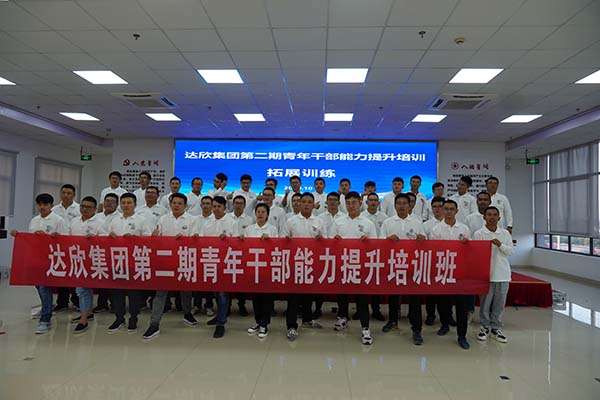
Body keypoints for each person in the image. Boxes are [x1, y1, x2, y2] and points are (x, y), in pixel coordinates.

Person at [10, 193, 68, 334]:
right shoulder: (34, 220)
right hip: (35, 259)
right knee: (39, 287)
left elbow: (64, 240)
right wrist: (18, 235)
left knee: (44, 288)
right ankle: (46, 308)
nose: (42, 207)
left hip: (50, 259)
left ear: (51, 205)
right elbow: (30, 239)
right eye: (40, 204)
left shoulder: (58, 220)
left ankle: (45, 320)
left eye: (45, 205)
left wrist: (48, 237)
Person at [142, 193, 197, 339]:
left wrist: (186, 239)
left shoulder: (192, 220)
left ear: (185, 206)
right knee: (160, 293)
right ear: (170, 204)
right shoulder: (163, 219)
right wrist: (154, 237)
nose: (176, 205)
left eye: (180, 203)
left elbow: (196, 240)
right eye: (174, 203)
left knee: (186, 291)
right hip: (165, 261)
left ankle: (187, 313)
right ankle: (154, 324)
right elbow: (157, 238)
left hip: (184, 260)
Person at [380, 193, 427, 345]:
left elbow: (425, 242)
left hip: (413, 266)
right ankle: (393, 321)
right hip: (394, 264)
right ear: (394, 206)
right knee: (394, 296)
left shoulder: (417, 222)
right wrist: (387, 240)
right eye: (399, 203)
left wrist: (422, 240)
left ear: (410, 205)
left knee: (414, 299)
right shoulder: (388, 222)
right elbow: (379, 242)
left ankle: (416, 329)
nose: (401, 206)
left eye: (404, 203)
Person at [330, 191, 377, 345]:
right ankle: (343, 318)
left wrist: (368, 242)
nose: (351, 206)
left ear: (360, 204)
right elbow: (330, 243)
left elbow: (376, 245)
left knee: (361, 299)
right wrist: (334, 240)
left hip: (360, 266)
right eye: (348, 203)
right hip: (342, 264)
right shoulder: (338, 222)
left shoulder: (368, 223)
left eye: (354, 203)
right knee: (342, 295)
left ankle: (365, 328)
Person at [430, 200, 472, 350]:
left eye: (451, 209)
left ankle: (462, 335)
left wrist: (467, 244)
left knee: (461, 305)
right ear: (442, 211)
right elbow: (434, 249)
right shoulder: (436, 229)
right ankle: (444, 324)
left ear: (456, 211)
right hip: (442, 270)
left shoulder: (464, 229)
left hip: (459, 271)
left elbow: (470, 250)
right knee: (443, 302)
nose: (448, 211)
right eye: (446, 209)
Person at [285, 192, 326, 341]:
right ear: (299, 204)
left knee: (310, 294)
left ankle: (307, 320)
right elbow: (283, 241)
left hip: (312, 264)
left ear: (313, 204)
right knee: (294, 297)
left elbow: (326, 241)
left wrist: (322, 239)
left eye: (309, 202)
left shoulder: (319, 221)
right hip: (295, 263)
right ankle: (291, 326)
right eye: (304, 202)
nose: (306, 204)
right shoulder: (291, 221)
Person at [107, 193, 148, 334]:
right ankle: (119, 317)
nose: (126, 205)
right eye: (123, 202)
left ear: (135, 204)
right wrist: (109, 236)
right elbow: (105, 236)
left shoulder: (141, 220)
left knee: (133, 292)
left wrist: (135, 239)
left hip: (134, 261)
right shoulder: (114, 220)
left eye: (129, 202)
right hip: (117, 261)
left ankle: (133, 317)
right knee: (116, 291)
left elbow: (148, 239)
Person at [196, 196, 236, 338]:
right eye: (214, 206)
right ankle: (220, 315)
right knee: (215, 293)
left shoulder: (232, 222)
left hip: (226, 262)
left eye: (219, 206)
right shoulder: (207, 223)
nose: (216, 209)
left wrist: (227, 240)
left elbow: (239, 242)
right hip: (211, 262)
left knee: (222, 293)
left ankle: (221, 323)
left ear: (225, 207)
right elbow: (201, 240)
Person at [474, 206, 513, 344]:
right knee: (485, 304)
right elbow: (475, 253)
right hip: (486, 274)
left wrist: (500, 244)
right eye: (489, 214)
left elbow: (510, 251)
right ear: (484, 217)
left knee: (499, 304)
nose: (492, 217)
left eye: (494, 215)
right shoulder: (479, 234)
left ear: (499, 217)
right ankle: (484, 327)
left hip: (502, 274)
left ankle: (496, 328)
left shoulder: (505, 233)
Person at [69, 196, 106, 335]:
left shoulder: (100, 222)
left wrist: (95, 239)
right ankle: (88, 312)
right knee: (84, 288)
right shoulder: (74, 221)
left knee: (81, 289)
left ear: (95, 209)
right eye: (82, 206)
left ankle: (83, 320)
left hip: (92, 260)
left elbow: (106, 240)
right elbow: (67, 238)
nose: (84, 209)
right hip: (77, 259)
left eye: (88, 207)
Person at [242, 203, 279, 338]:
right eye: (258, 211)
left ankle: (264, 324)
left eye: (263, 212)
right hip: (253, 268)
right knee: (255, 298)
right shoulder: (249, 229)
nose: (260, 214)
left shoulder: (272, 229)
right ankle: (258, 322)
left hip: (267, 268)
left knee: (266, 298)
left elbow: (278, 247)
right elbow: (245, 248)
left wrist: (270, 241)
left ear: (267, 214)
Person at [52, 183, 81, 311]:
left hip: (75, 246)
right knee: (61, 273)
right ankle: (62, 302)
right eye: (63, 193)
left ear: (74, 195)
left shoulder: (79, 209)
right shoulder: (54, 210)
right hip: (59, 247)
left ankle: (76, 300)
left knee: (75, 274)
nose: (66, 195)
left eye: (69, 193)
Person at [359, 192, 387, 321]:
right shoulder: (361, 217)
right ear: (366, 202)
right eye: (370, 200)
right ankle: (360, 310)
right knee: (362, 283)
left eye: (375, 200)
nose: (373, 202)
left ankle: (376, 310)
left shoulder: (384, 217)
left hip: (378, 255)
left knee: (376, 283)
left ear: (378, 202)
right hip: (362, 255)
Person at [92, 193, 121, 313]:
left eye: (112, 201)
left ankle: (115, 305)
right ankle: (102, 304)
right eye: (107, 201)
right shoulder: (96, 217)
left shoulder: (120, 217)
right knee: (102, 279)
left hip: (114, 252)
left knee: (114, 280)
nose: (109, 203)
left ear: (117, 204)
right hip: (99, 252)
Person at [423, 196, 446, 326]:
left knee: (445, 292)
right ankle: (430, 315)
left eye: (440, 206)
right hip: (430, 262)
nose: (437, 209)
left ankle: (447, 316)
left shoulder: (450, 223)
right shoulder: (426, 225)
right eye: (435, 207)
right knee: (430, 291)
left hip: (446, 263)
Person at [229, 195, 253, 316]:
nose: (238, 205)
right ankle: (227, 306)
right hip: (228, 254)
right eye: (236, 203)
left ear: (244, 206)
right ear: (233, 205)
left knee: (242, 281)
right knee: (228, 281)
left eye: (241, 203)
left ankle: (241, 304)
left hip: (244, 255)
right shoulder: (227, 218)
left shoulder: (250, 220)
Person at [191, 195, 215, 317]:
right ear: (200, 205)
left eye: (208, 204)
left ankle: (209, 305)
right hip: (196, 254)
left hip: (211, 254)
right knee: (197, 281)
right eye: (204, 203)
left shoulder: (216, 220)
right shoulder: (194, 219)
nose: (205, 206)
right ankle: (196, 305)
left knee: (209, 281)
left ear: (212, 206)